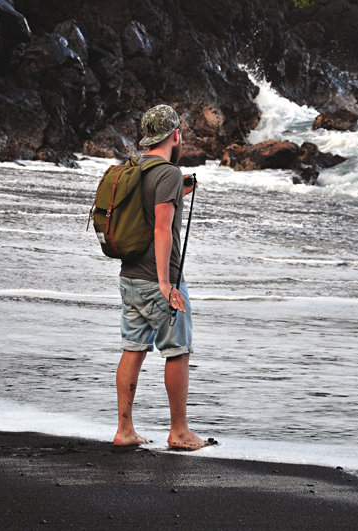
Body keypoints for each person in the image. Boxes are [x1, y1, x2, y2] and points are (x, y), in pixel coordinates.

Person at [113, 104, 208, 450]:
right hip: (159, 280)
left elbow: (146, 208)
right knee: (178, 352)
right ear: (175, 135)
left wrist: (179, 190)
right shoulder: (167, 172)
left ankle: (124, 430)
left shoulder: (135, 168)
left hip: (130, 278)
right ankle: (179, 432)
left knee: (133, 349)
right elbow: (162, 227)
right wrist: (167, 285)